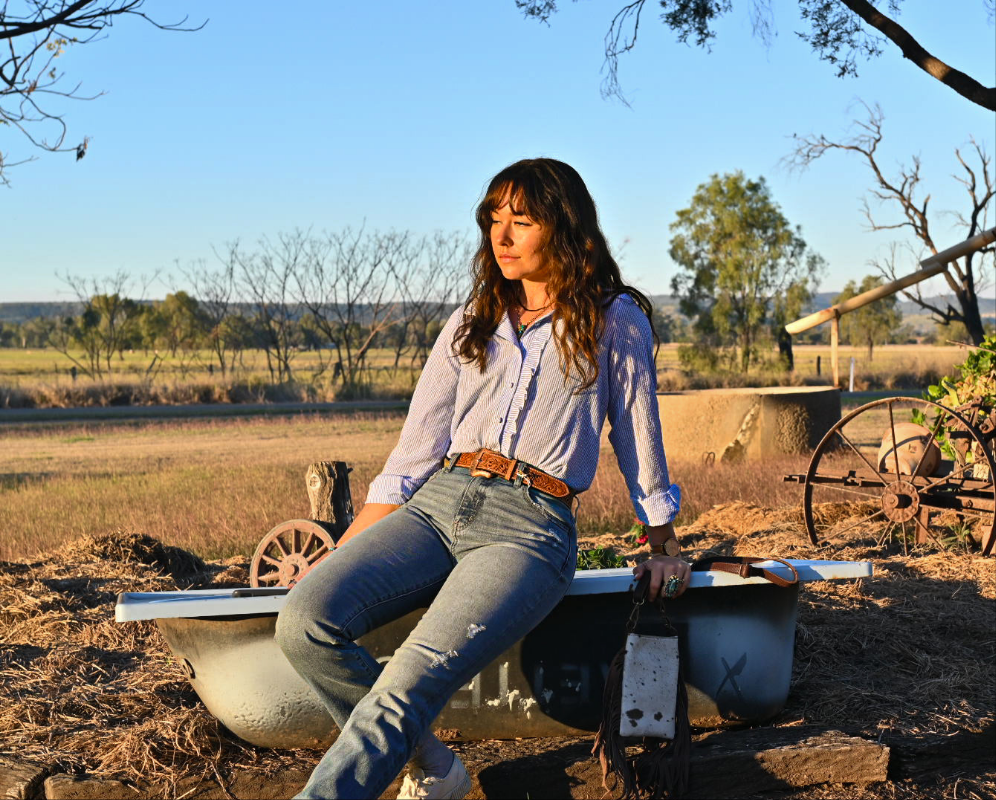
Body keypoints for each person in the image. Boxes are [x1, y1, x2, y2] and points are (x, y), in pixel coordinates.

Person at [275, 158, 689, 800]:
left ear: (566, 229)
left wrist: (662, 541)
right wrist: (344, 554)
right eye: (494, 221)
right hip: (439, 503)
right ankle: (434, 769)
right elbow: (413, 454)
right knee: (303, 618)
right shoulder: (474, 317)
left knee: (407, 681)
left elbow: (640, 438)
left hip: (528, 530)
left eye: (521, 221)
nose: (501, 237)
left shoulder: (615, 321)